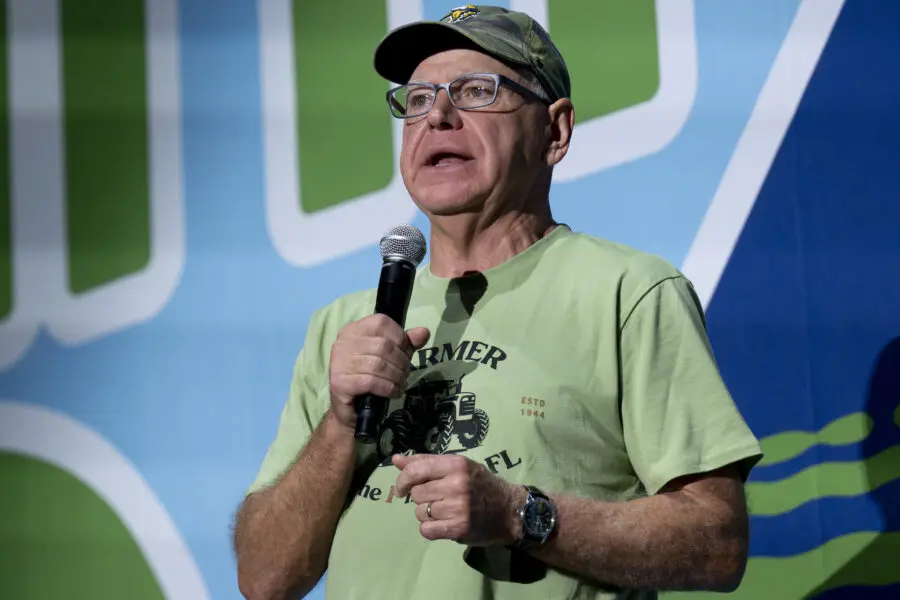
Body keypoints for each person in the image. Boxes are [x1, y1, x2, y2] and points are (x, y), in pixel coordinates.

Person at [232, 5, 763, 599]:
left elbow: (717, 542)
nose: (438, 116)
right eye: (417, 99)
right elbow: (264, 579)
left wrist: (520, 515)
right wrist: (338, 426)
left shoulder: (629, 293)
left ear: (555, 132)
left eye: (476, 91)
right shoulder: (345, 325)